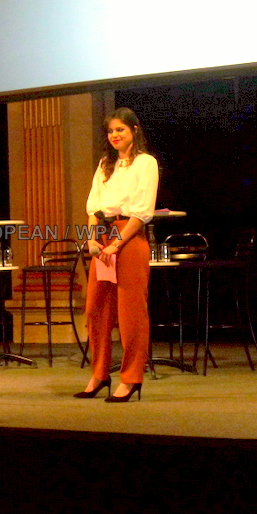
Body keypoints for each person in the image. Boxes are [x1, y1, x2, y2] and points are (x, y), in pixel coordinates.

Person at [75, 107, 158, 403]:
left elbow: (141, 212)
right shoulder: (105, 165)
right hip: (104, 236)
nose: (114, 135)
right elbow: (93, 207)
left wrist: (117, 244)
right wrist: (92, 239)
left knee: (130, 312)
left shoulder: (146, 163)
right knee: (96, 309)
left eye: (120, 129)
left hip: (129, 238)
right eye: (110, 131)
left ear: (134, 130)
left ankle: (131, 378)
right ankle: (99, 374)